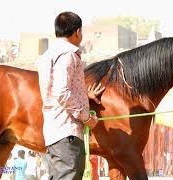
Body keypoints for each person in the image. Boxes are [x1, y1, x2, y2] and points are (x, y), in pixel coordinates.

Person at [37, 11, 105, 180]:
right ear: (77, 32)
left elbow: (56, 89)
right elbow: (61, 91)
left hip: (54, 131)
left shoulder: (49, 54)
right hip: (66, 132)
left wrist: (83, 94)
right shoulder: (68, 54)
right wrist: (86, 118)